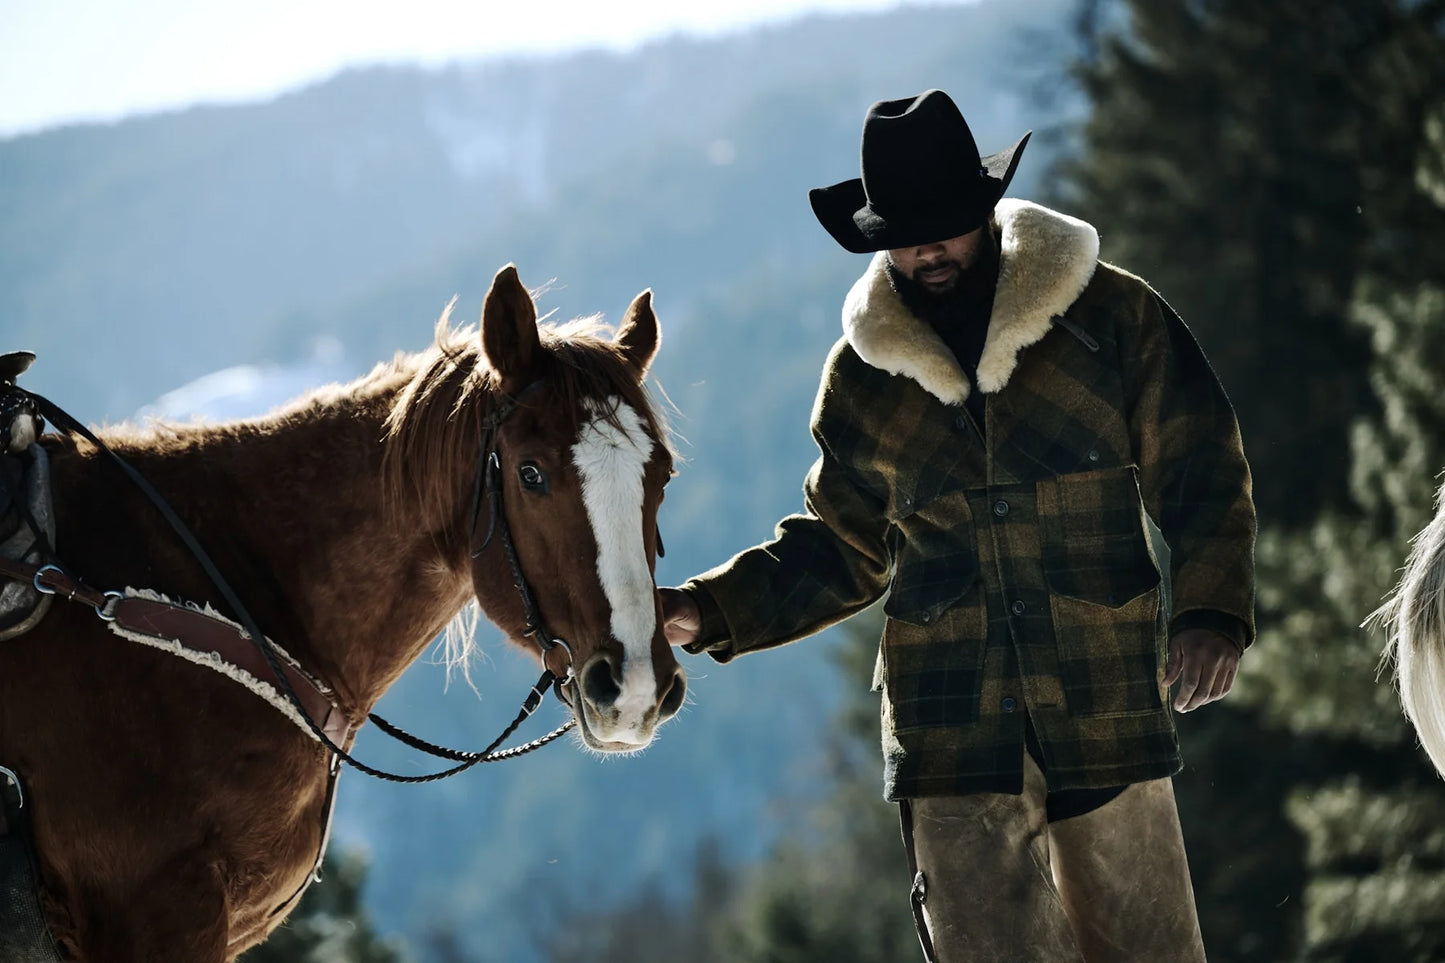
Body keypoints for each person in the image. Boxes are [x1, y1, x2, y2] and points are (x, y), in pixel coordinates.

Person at [660, 89, 1255, 962]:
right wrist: (706, 609)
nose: (925, 248)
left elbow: (1200, 461)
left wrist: (1210, 611)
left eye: (943, 224)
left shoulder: (1108, 318)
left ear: (983, 212)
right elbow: (841, 545)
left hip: (1102, 698)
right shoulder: (862, 378)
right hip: (948, 730)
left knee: (1150, 950)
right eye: (904, 232)